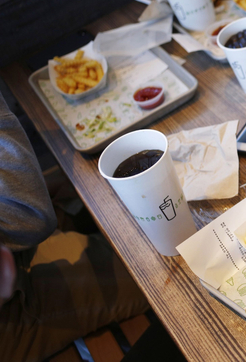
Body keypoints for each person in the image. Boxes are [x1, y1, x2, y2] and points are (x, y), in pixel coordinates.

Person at [0, 93, 149, 361]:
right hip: (11, 307)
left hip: (17, 238)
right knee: (151, 272)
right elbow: (33, 219)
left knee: (86, 180)